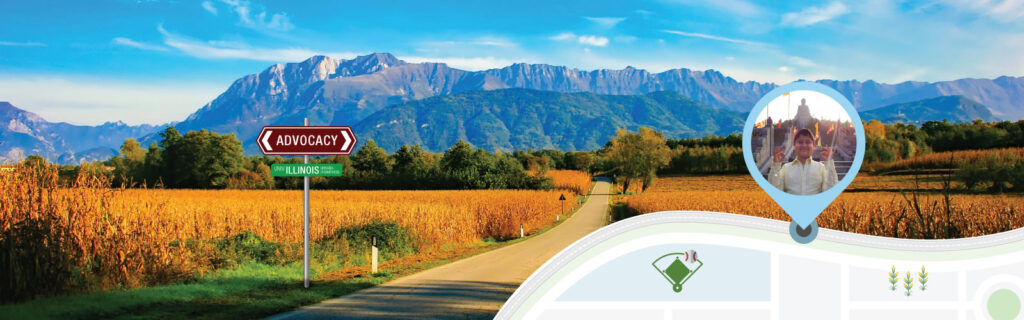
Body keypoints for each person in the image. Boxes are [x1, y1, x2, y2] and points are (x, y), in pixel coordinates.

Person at [768, 128, 838, 195]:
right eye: (800, 142)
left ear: (814, 146)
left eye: (808, 142)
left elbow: (831, 190)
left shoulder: (821, 167)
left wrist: (829, 163)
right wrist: (776, 165)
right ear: (794, 146)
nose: (804, 145)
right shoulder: (786, 168)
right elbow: (775, 190)